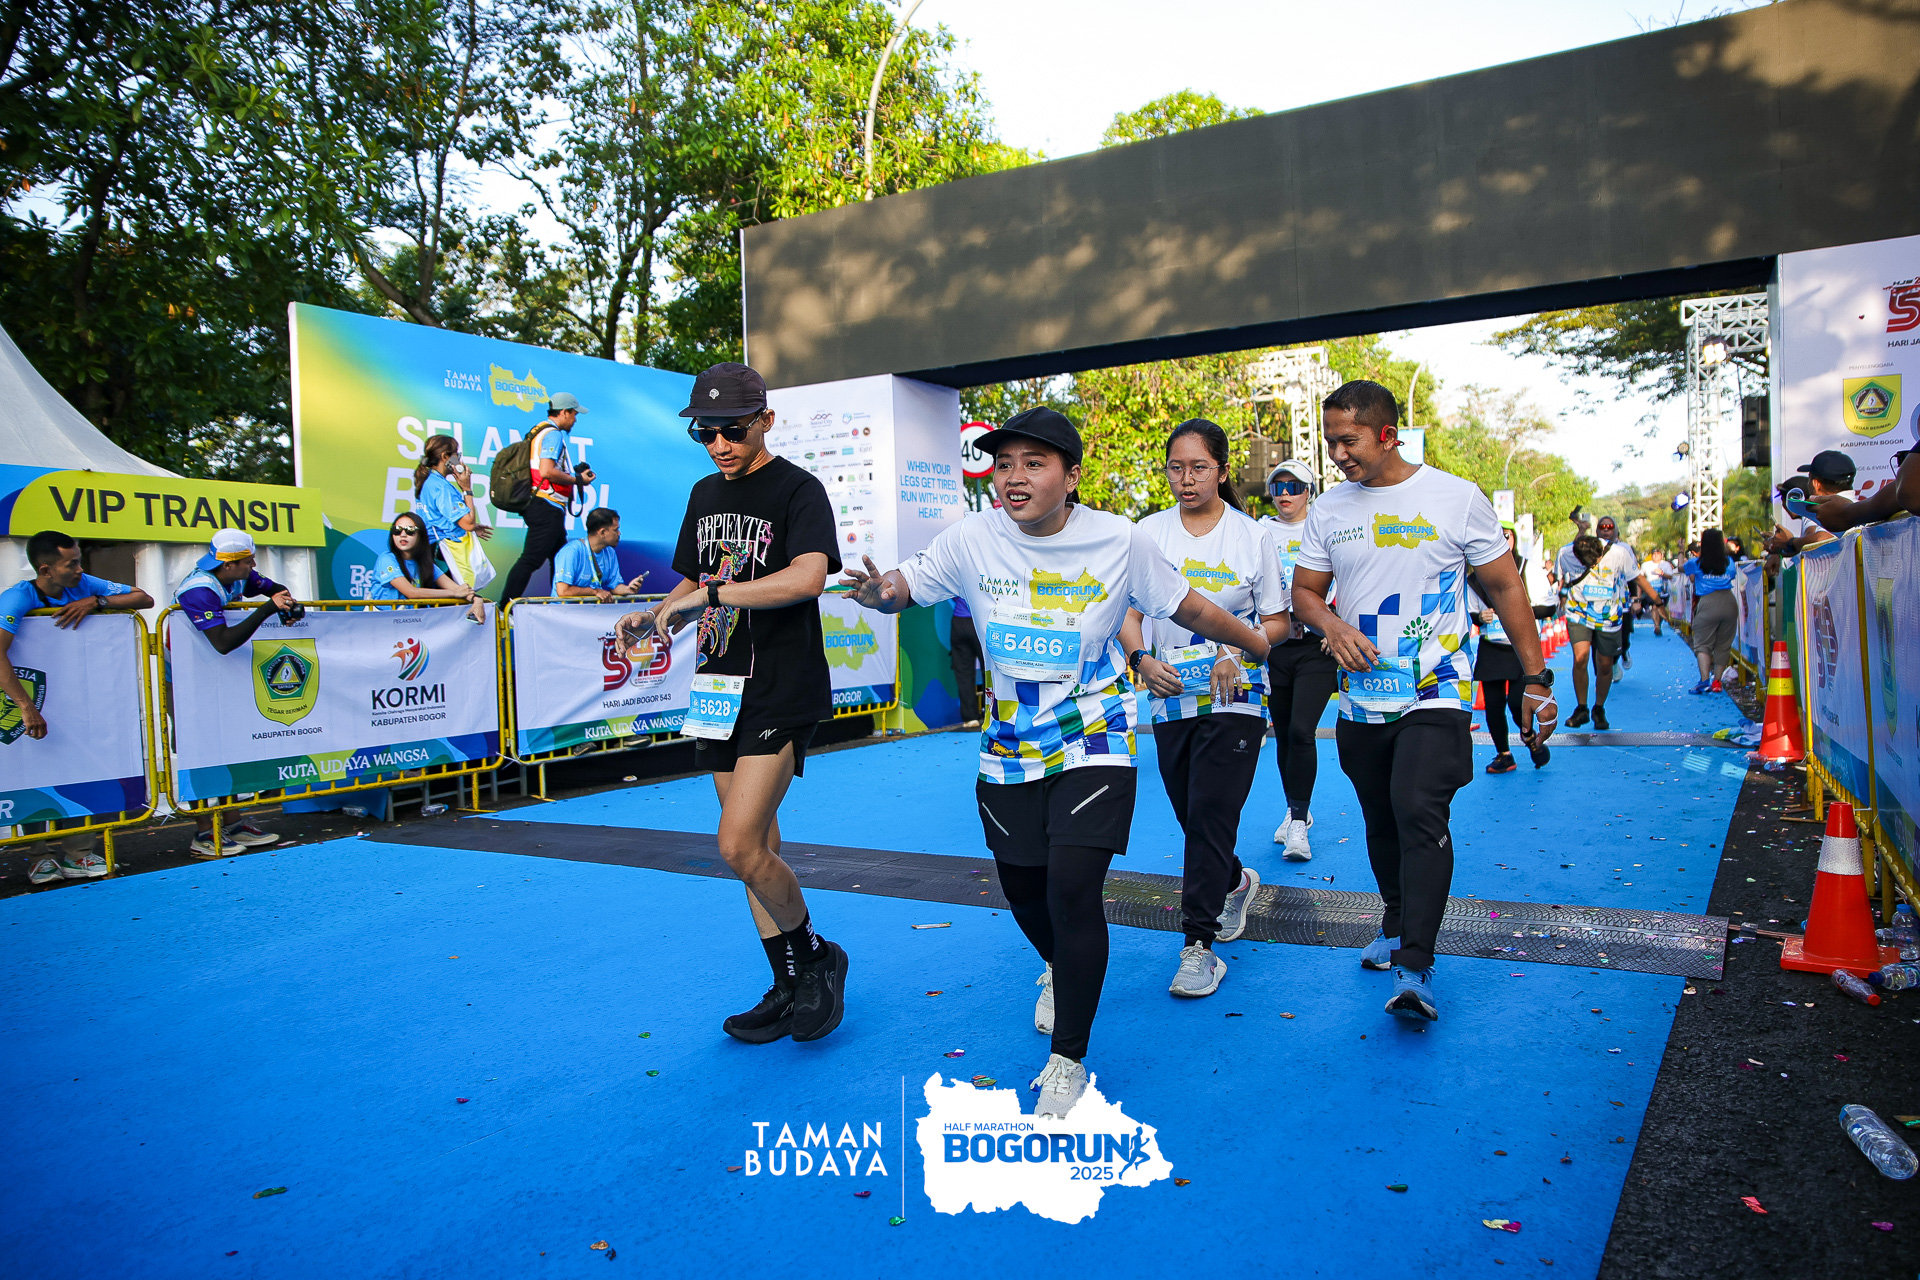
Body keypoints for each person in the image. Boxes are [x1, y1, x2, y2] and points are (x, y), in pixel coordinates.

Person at [841, 407, 1270, 1116]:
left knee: (1073, 891)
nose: (1013, 477)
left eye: (1033, 464)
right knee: (1025, 889)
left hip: (1093, 734)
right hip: (1010, 744)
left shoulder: (1119, 539)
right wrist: (879, 594)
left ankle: (1068, 1059)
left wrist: (1257, 645)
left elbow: (1187, 607)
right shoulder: (972, 538)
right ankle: (1058, 964)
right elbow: (902, 585)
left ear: (1071, 477)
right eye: (1004, 464)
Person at [1290, 381, 1554, 1022]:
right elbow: (1304, 593)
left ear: (1388, 435)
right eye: (1330, 442)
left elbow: (1505, 587)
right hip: (1362, 696)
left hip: (1438, 686)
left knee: (1417, 807)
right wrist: (1332, 626)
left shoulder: (1455, 497)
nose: (1338, 455)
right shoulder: (1329, 509)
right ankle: (1395, 919)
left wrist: (1535, 679)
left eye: (1348, 441)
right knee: (1381, 817)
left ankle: (1416, 964)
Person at [616, 363, 845, 1046]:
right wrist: (655, 615)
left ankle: (817, 958)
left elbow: (808, 577)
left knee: (737, 844)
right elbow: (693, 578)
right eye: (705, 433)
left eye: (733, 431)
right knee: (758, 850)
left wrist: (712, 596)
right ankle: (787, 981)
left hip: (780, 684)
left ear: (765, 420)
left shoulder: (798, 488)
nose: (719, 444)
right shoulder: (704, 492)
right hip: (717, 685)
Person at [1119, 420, 1290, 998]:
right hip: (1171, 694)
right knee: (1193, 815)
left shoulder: (1252, 536)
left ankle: (1198, 945)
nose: (1186, 479)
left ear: (1221, 470)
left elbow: (1276, 623)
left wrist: (1235, 651)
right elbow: (1129, 613)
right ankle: (1235, 880)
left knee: (1213, 810)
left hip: (1236, 694)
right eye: (1176, 468)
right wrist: (1140, 659)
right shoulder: (1146, 534)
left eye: (1198, 468)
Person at [1, 530, 153, 884]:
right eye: (71, 564)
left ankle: (79, 854)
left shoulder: (84, 584)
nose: (80, 570)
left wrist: (96, 602)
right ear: (46, 570)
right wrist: (26, 706)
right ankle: (40, 857)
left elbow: (144, 598)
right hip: (29, 697)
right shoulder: (17, 597)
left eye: (79, 561)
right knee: (33, 772)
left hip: (74, 699)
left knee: (82, 765)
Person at [171, 529, 297, 858]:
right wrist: (267, 610)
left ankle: (233, 823)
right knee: (199, 750)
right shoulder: (199, 589)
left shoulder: (238, 575)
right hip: (186, 678)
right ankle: (204, 833)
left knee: (227, 747)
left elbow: (278, 590)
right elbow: (223, 642)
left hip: (217, 675)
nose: (254, 565)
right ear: (228, 565)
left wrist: (285, 607)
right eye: (249, 560)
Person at [1258, 458, 1341, 861]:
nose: (1286, 494)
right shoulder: (1260, 531)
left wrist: (1336, 627)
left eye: (1295, 486)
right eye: (1279, 487)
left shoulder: (1326, 526)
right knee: (1285, 733)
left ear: (1310, 491)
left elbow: (1351, 577)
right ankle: (1296, 810)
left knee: (1302, 731)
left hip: (1315, 646)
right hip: (1276, 646)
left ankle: (1297, 822)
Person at [1559, 516, 1660, 731]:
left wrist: (1657, 601)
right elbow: (1562, 579)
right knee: (1580, 658)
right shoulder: (1566, 554)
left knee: (1605, 665)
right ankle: (1581, 708)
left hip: (1609, 616)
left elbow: (1637, 578)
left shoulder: (1619, 553)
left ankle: (1598, 708)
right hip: (1578, 613)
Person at [1468, 521, 1548, 773]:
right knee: (1492, 706)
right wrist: (1481, 617)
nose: (1502, 540)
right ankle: (1504, 754)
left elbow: (1549, 606)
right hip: (1491, 647)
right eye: (1496, 535)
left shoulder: (1527, 568)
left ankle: (1530, 739)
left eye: (1506, 535)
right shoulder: (1475, 576)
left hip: (1519, 646)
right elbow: (1469, 612)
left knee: (1517, 703)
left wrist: (1519, 611)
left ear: (1514, 539)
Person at [500, 393, 596, 601]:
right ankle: (503, 608)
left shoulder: (538, 430)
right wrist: (577, 479)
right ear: (564, 412)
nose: (575, 420)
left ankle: (558, 605)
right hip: (546, 505)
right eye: (574, 414)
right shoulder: (553, 434)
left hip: (545, 505)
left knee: (558, 559)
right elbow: (546, 471)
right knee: (531, 559)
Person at [411, 434, 493, 592]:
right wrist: (467, 489)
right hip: (442, 555)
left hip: (429, 551)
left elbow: (439, 518)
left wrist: (471, 526)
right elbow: (468, 524)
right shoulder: (441, 487)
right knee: (457, 599)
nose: (459, 459)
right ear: (445, 457)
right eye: (457, 454)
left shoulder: (429, 481)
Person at [370, 511, 486, 622]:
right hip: (384, 623)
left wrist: (477, 600)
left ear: (420, 535)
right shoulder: (386, 559)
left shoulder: (425, 563)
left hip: (410, 623)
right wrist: (454, 593)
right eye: (397, 530)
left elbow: (458, 589)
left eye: (410, 530)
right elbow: (411, 592)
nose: (403, 535)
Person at [1763, 450, 1854, 558]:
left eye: (1809, 478)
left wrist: (1791, 542)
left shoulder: (1828, 509)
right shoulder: (1856, 506)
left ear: (1816, 484)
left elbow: (1821, 540)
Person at [1680, 528, 1739, 695]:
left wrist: (1680, 551)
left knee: (1702, 644)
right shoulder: (1729, 562)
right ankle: (1717, 681)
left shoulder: (1696, 563)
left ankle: (1704, 681)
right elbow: (1732, 575)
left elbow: (1680, 568)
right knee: (1723, 645)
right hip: (1728, 602)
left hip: (1707, 602)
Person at [552, 508, 648, 602]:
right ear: (602, 532)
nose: (619, 533)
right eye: (616, 530)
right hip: (562, 611)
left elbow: (615, 586)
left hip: (588, 611)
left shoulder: (610, 552)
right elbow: (563, 591)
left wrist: (628, 589)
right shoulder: (571, 551)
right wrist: (595, 591)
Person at [949, 597, 983, 729]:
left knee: (963, 673)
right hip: (981, 621)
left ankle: (970, 718)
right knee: (991, 671)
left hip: (959, 622)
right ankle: (992, 714)